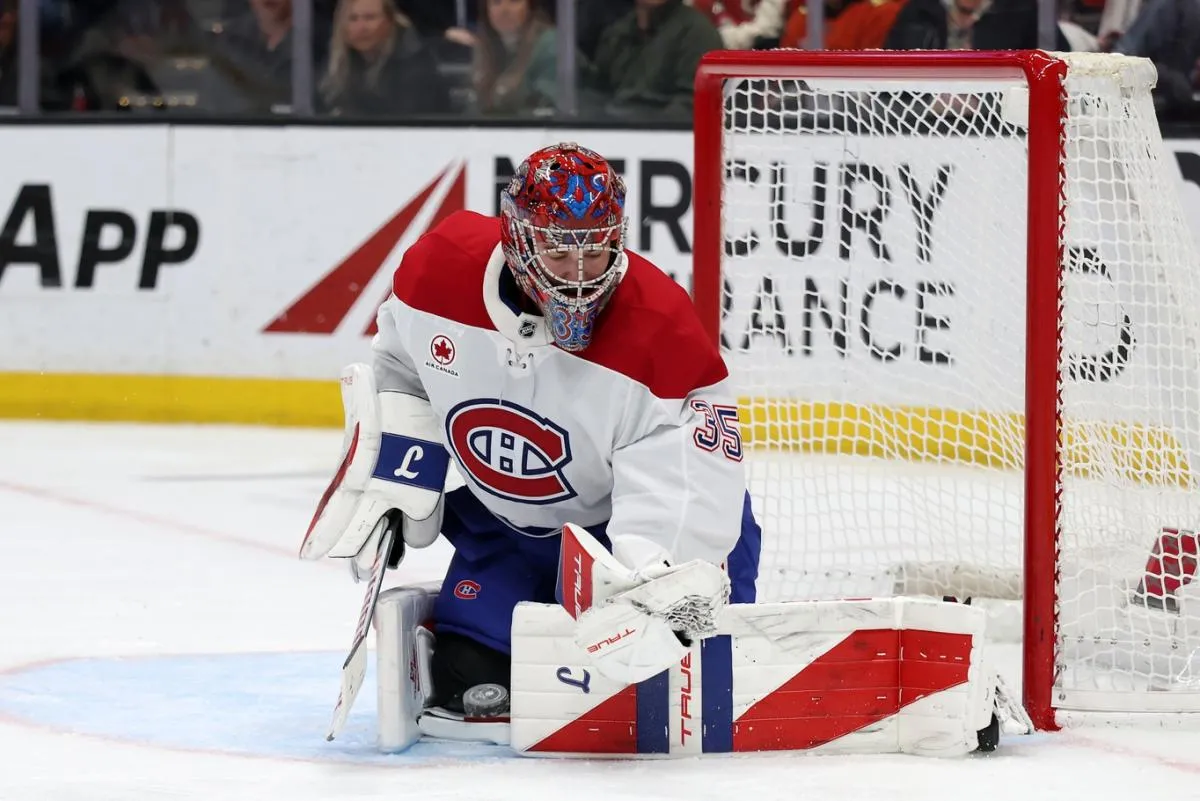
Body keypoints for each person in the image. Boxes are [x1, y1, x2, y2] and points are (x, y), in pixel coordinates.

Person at [304, 143, 761, 714]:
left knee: (663, 699)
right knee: (466, 686)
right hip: (508, 532)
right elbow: (402, 372)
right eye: (558, 251)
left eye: (596, 253)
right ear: (518, 238)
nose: (577, 276)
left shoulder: (661, 330)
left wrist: (648, 574)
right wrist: (399, 474)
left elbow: (692, 479)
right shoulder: (438, 271)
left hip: (628, 535)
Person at [319, 0, 450, 116]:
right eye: (353, 18)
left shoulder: (416, 67)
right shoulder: (337, 63)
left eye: (370, 18)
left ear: (389, 22)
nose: (361, 27)